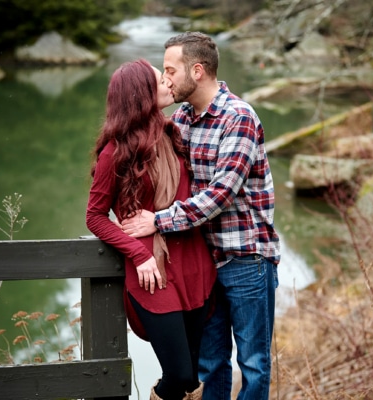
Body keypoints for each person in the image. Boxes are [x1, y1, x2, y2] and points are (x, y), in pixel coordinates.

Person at [120, 32, 281, 400]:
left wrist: (156, 221)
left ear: (197, 70)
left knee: (254, 364)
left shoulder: (238, 117)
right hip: (203, 262)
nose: (165, 79)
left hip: (246, 259)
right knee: (211, 363)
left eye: (169, 70)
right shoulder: (182, 120)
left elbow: (219, 195)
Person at [86, 58, 216, 400]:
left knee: (193, 377)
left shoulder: (174, 135)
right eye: (161, 81)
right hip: (152, 270)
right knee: (178, 373)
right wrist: (138, 255)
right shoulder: (113, 154)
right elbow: (95, 217)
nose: (169, 84)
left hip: (192, 261)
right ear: (141, 95)